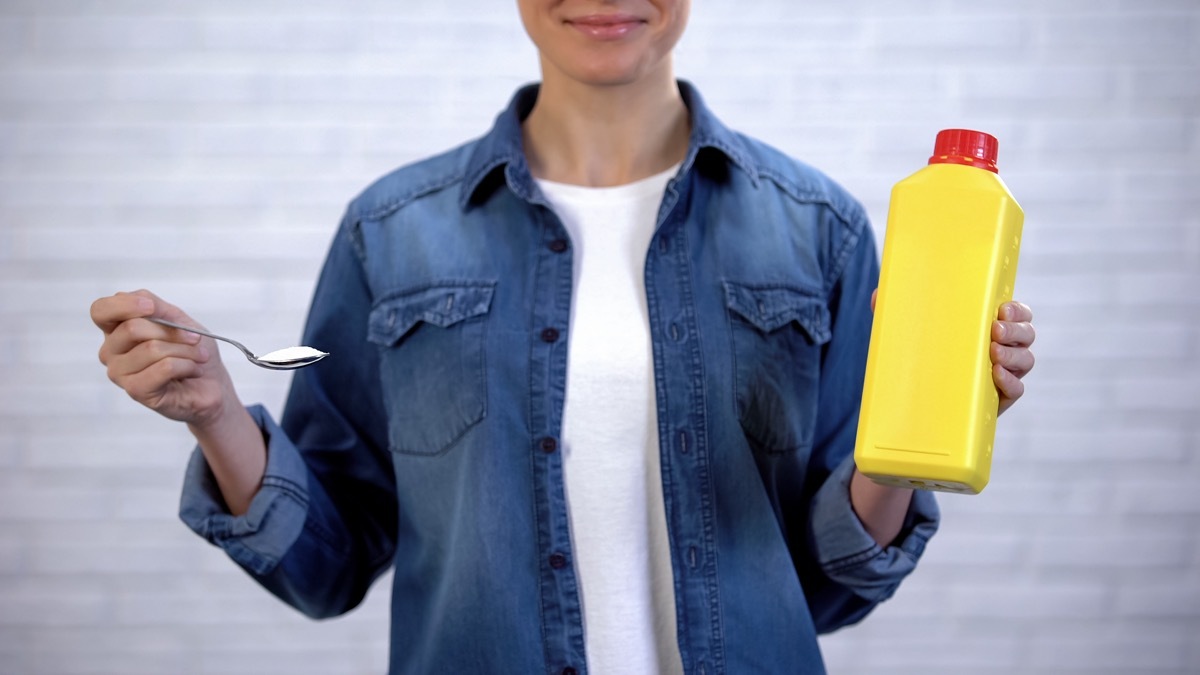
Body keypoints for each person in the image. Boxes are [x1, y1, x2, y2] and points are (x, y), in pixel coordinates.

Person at [89, 1, 1037, 673]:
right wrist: (215, 414)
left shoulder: (817, 227)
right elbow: (327, 566)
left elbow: (828, 590)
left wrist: (922, 426)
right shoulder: (393, 230)